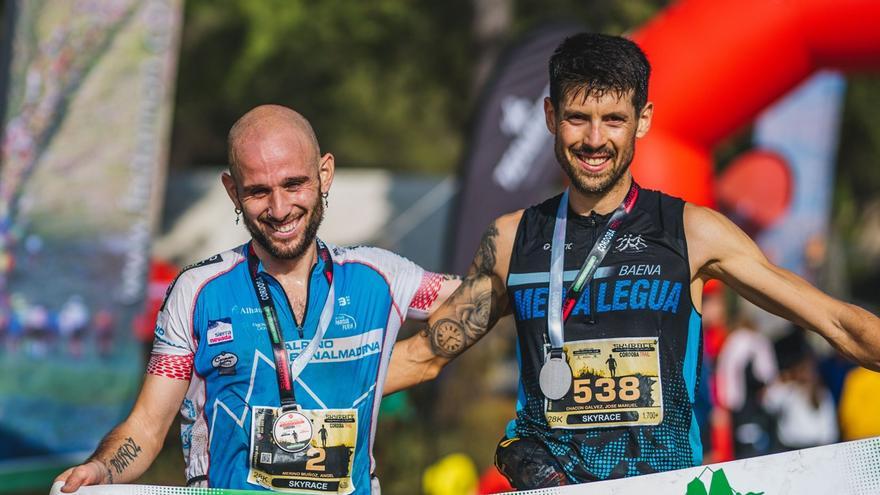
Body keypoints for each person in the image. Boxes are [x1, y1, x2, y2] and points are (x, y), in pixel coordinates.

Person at [384, 32, 880, 489]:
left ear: (643, 119)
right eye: (578, 118)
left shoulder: (692, 231)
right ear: (551, 117)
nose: (595, 140)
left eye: (614, 119)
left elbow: (836, 322)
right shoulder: (514, 239)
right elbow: (424, 355)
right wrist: (315, 393)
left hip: (660, 485)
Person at [56, 105, 459, 494]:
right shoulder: (198, 292)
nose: (280, 209)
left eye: (293, 184)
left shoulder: (379, 276)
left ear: (325, 174)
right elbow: (146, 426)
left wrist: (517, 237)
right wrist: (102, 468)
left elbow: (481, 297)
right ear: (232, 191)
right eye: (258, 192)